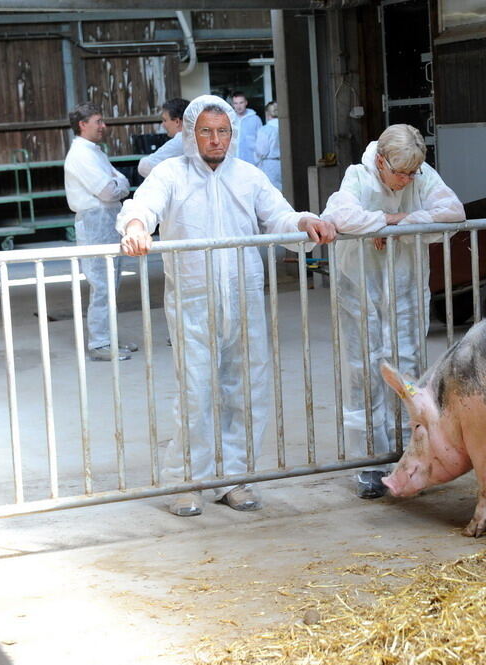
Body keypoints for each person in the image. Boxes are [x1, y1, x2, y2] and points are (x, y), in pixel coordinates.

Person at [118, 95, 335, 517]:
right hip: (193, 300)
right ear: (189, 133)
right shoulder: (170, 174)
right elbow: (142, 207)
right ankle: (189, 482)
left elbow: (279, 216)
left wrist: (306, 222)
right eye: (206, 131)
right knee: (195, 392)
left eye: (223, 132)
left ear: (232, 134)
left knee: (245, 390)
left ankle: (236, 479)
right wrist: (136, 226)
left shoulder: (248, 176)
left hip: (244, 299)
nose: (215, 140)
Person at [320, 124, 465, 499]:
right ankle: (367, 461)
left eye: (411, 174)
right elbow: (342, 217)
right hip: (361, 289)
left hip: (405, 287)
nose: (405, 181)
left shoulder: (420, 174)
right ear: (381, 162)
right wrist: (384, 221)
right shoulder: (358, 176)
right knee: (364, 367)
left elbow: (452, 211)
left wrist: (394, 223)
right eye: (399, 173)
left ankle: (411, 453)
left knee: (409, 367)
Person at [64, 102, 138, 362]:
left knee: (111, 284)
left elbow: (119, 181)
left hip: (107, 218)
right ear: (83, 124)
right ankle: (98, 343)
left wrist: (119, 184)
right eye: (98, 121)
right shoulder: (80, 155)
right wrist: (119, 185)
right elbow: (108, 190)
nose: (103, 126)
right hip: (95, 220)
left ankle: (109, 338)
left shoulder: (95, 152)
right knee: (101, 285)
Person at [137, 97, 189, 178]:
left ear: (177, 122)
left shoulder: (180, 140)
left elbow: (144, 166)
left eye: (165, 120)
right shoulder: (196, 137)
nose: (163, 125)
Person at [254, 101, 282, 190]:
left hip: (270, 165)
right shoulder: (287, 127)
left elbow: (261, 151)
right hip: (286, 163)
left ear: (267, 113)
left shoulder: (265, 130)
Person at [230, 92, 261, 165]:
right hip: (233, 162)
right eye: (235, 103)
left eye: (241, 103)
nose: (238, 106)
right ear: (232, 105)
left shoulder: (255, 119)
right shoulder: (230, 119)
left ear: (246, 103)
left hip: (251, 163)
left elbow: (261, 141)